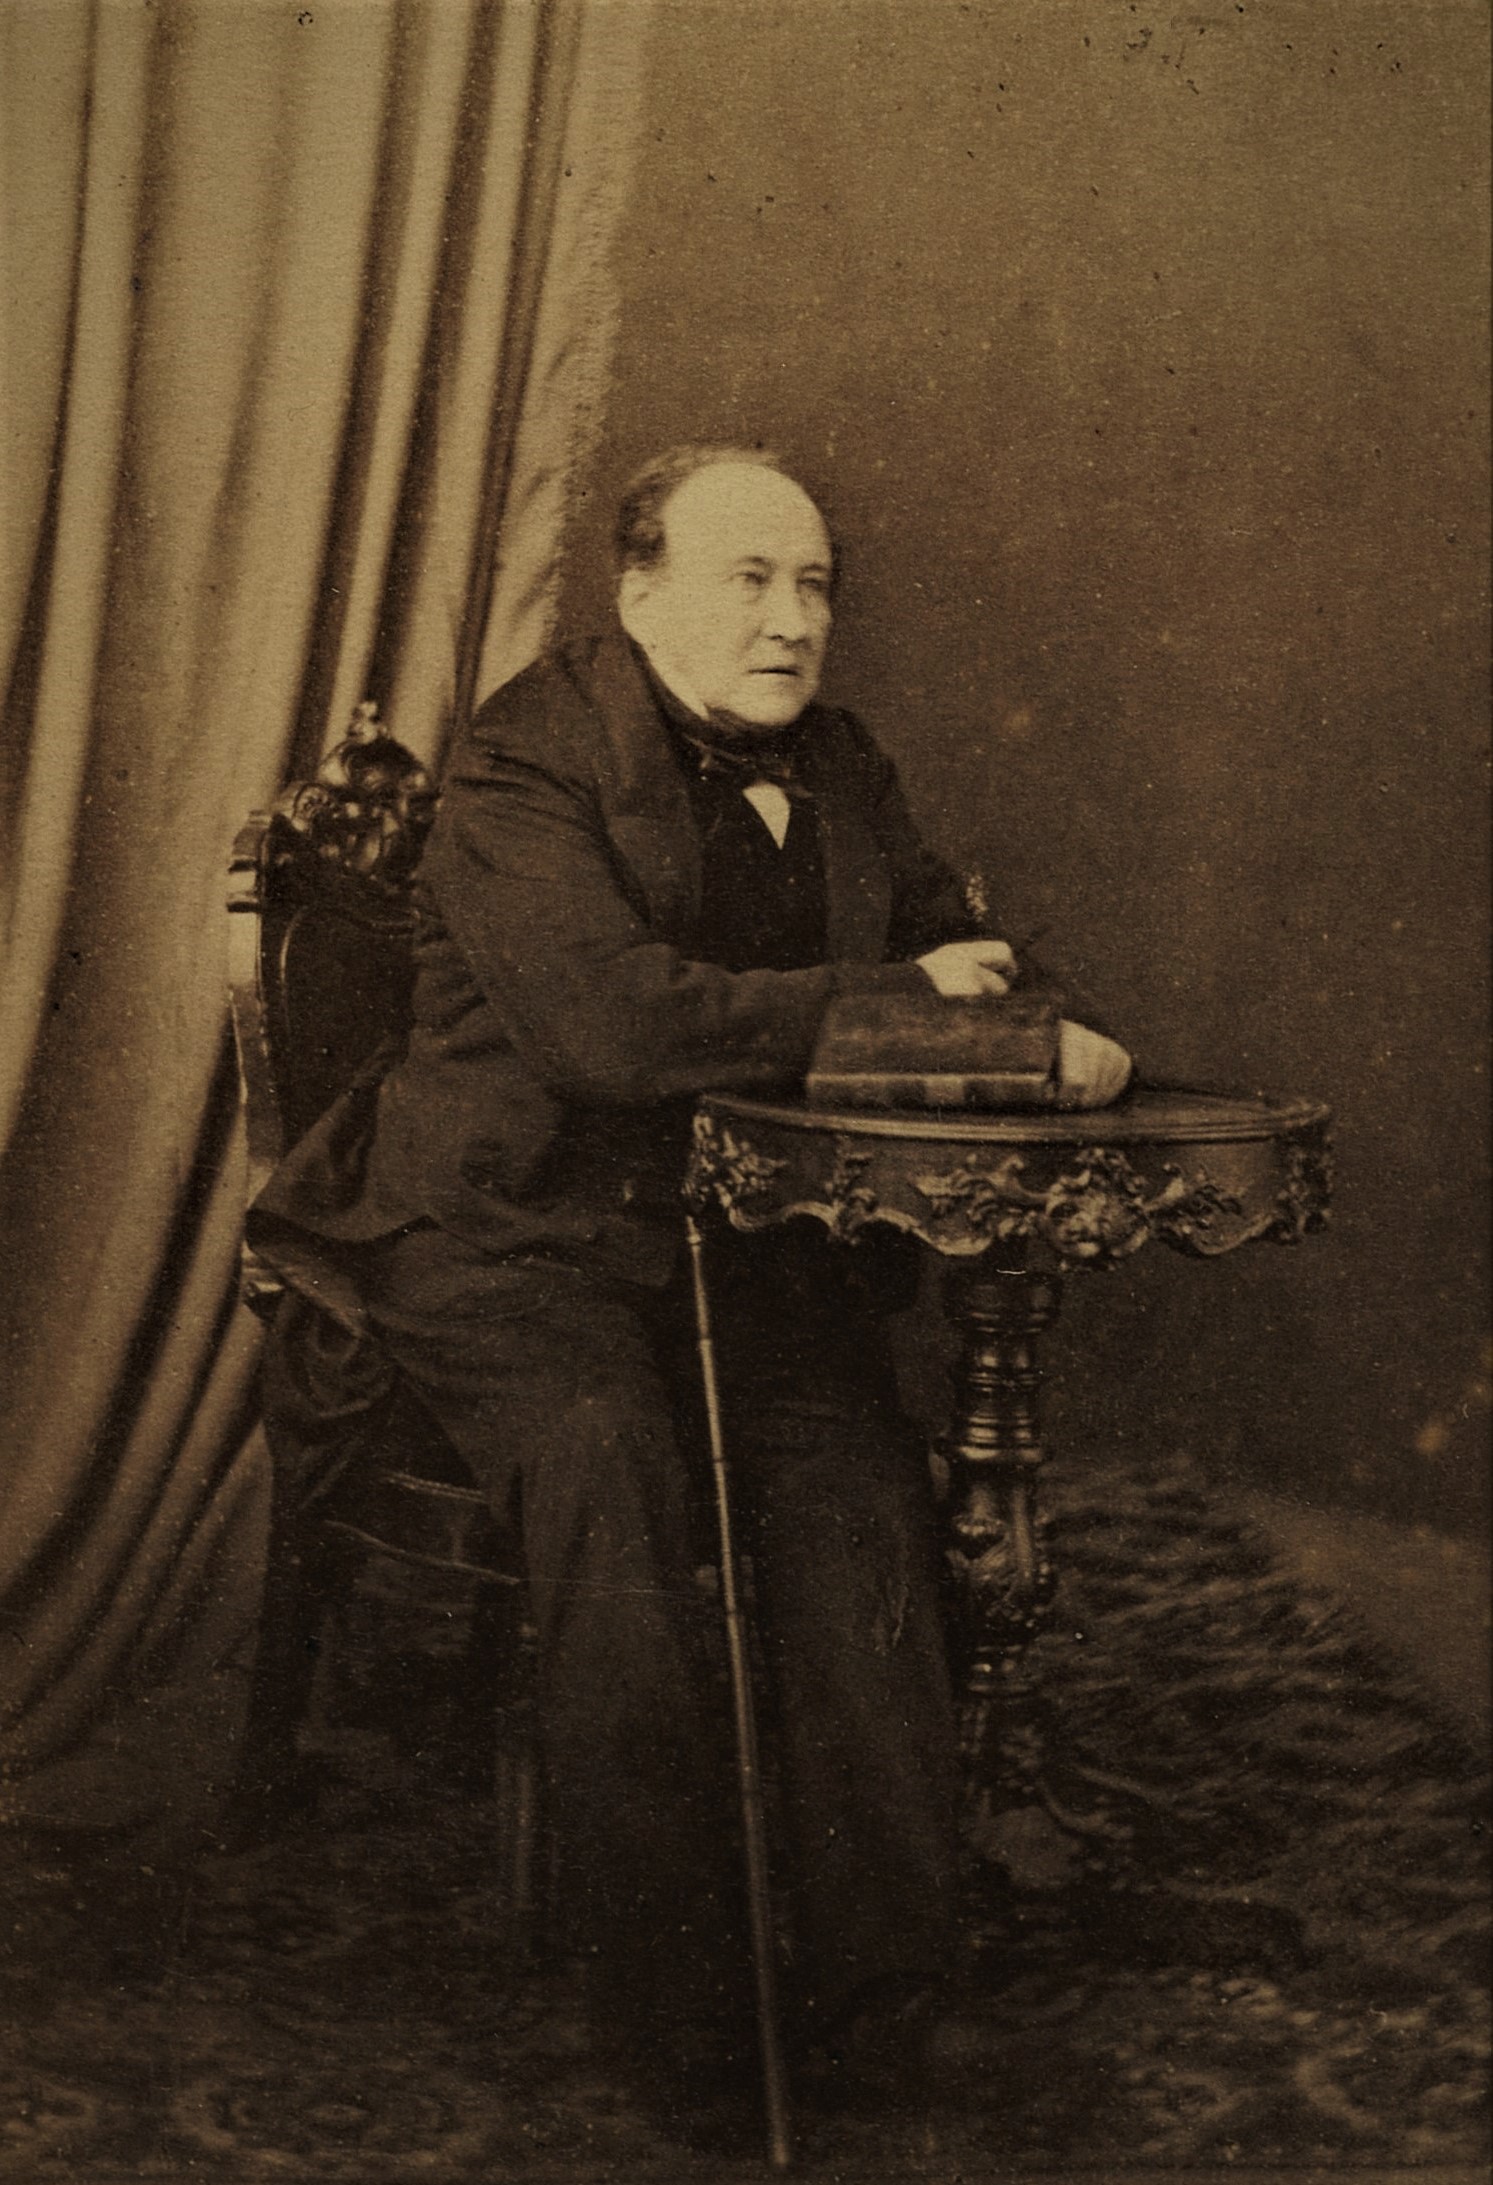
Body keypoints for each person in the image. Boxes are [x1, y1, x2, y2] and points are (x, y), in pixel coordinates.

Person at [250, 443, 1130, 2138]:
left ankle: (886, 2001)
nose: (792, 621)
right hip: (504, 1236)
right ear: (640, 589)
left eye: (815, 586)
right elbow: (613, 1027)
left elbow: (971, 940)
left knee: (861, 1504)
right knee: (608, 1467)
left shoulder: (841, 761)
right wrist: (902, 997)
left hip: (735, 1249)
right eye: (750, 579)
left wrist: (1054, 1021)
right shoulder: (529, 751)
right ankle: (677, 2010)